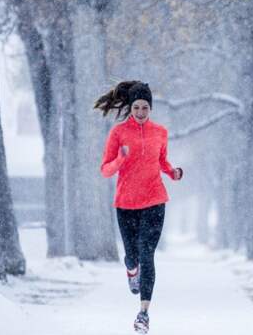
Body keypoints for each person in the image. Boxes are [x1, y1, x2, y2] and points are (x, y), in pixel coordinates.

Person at [95, 81, 183, 334]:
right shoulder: (119, 133)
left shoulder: (160, 132)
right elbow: (105, 169)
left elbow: (162, 161)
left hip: (155, 201)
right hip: (126, 203)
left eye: (145, 107)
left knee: (147, 254)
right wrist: (121, 159)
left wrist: (173, 172)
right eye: (136, 107)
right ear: (130, 107)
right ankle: (130, 268)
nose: (141, 112)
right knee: (133, 255)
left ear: (151, 108)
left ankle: (143, 313)